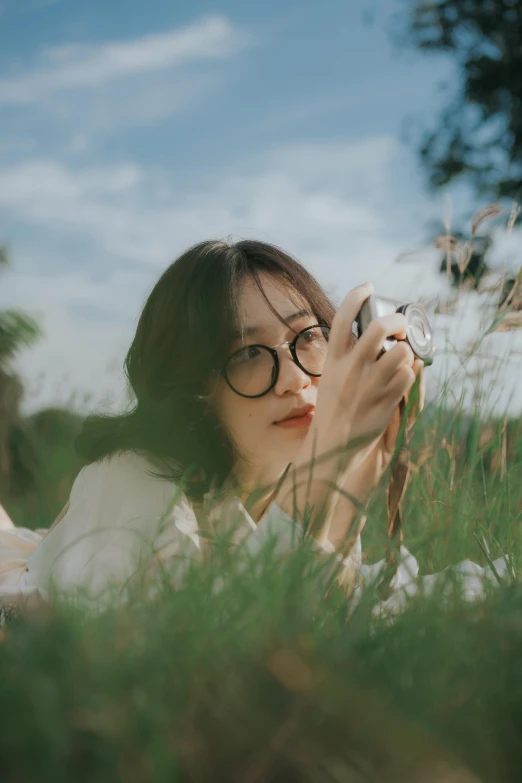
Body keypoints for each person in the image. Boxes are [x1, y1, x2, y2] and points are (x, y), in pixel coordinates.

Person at [0, 239, 504, 615]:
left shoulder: (282, 476)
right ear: (192, 389)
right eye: (246, 354)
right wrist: (327, 461)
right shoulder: (130, 478)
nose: (293, 380)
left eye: (309, 337)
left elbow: (341, 611)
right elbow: (202, 654)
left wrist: (352, 469)